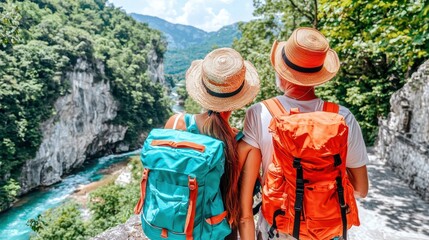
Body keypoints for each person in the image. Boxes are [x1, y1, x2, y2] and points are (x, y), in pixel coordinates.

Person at [237, 27, 369, 240]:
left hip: (279, 227)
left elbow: (247, 185)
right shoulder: (343, 117)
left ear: (282, 73)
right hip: (328, 230)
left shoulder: (259, 113)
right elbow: (361, 189)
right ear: (318, 76)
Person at [164, 47, 260, 239]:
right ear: (238, 100)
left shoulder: (175, 123)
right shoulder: (243, 145)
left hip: (175, 228)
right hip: (219, 232)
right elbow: (244, 216)